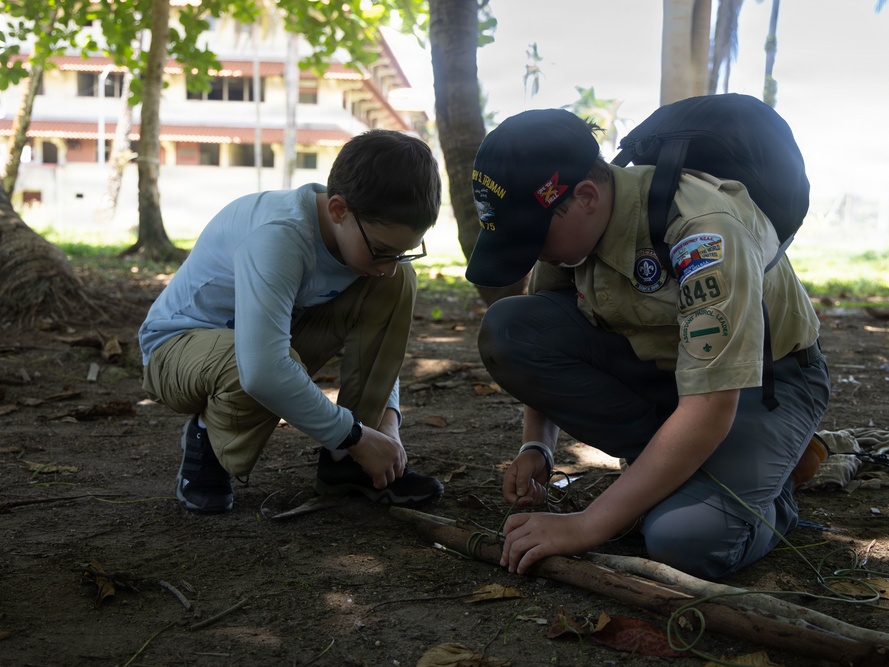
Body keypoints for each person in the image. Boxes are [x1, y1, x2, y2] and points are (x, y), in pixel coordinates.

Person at [466, 109, 831, 580]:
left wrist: (585, 525)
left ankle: (773, 497)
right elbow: (541, 328)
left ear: (587, 196)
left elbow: (711, 407)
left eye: (535, 238)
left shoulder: (703, 231)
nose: (533, 253)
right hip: (669, 377)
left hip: (764, 385)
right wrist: (538, 445)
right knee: (510, 328)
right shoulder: (571, 232)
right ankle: (685, 473)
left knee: (686, 540)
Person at [139, 129, 445, 514]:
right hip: (175, 350)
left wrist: (385, 425)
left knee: (399, 284)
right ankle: (207, 439)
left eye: (401, 252)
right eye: (382, 251)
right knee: (260, 365)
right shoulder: (280, 236)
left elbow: (381, 342)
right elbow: (263, 370)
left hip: (261, 339)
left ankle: (346, 467)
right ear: (338, 210)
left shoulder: (356, 238)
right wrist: (351, 435)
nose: (385, 266)